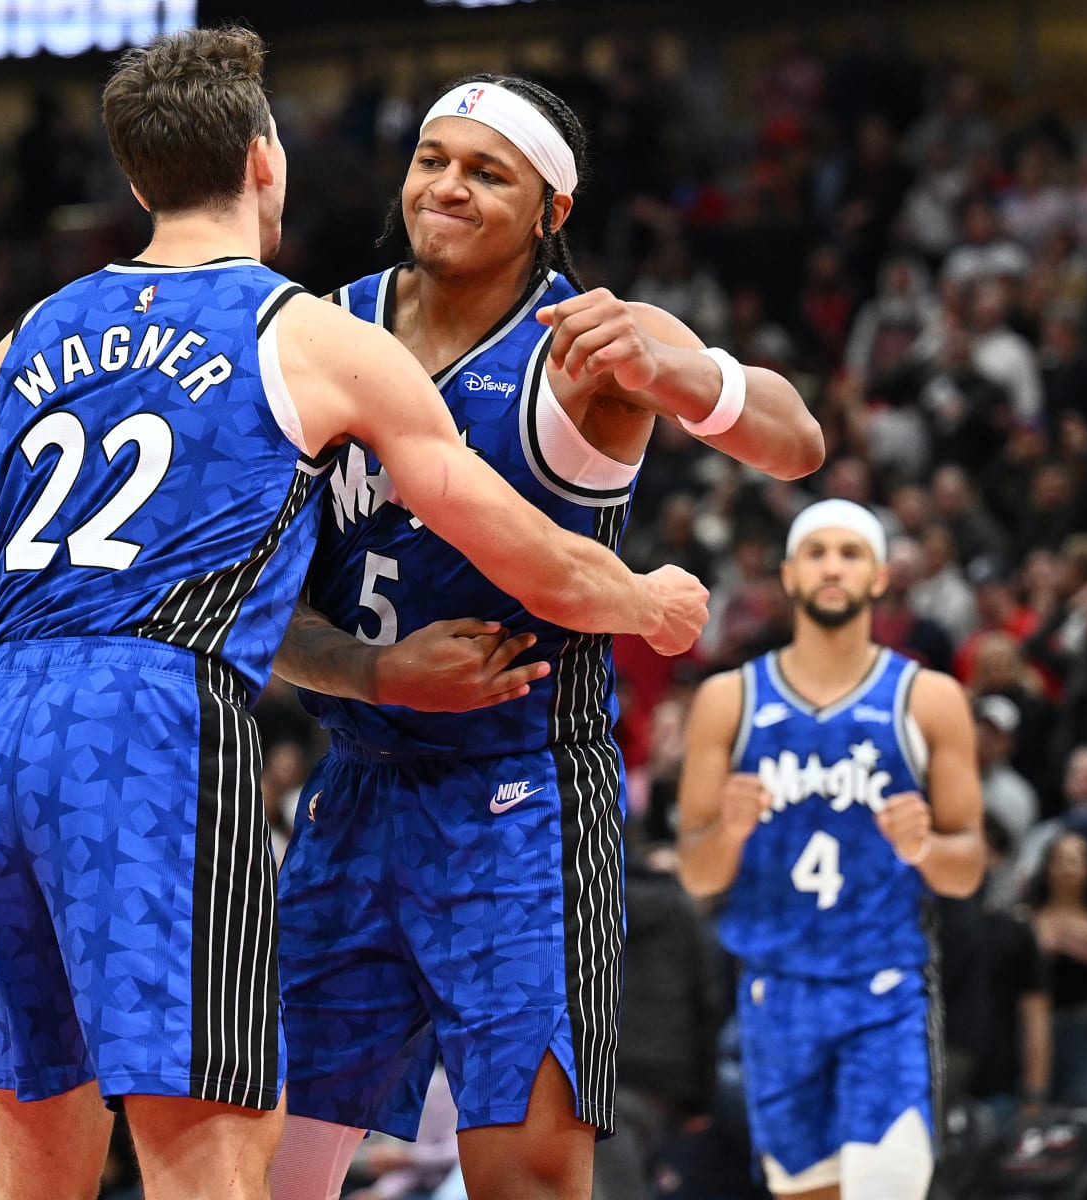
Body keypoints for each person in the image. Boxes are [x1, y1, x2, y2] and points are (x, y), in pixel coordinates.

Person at [0, 29, 709, 1200]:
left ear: (137, 178)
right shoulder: (305, 331)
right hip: (150, 717)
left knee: (34, 1129)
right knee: (208, 1137)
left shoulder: (31, 333)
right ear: (266, 160)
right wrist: (646, 597)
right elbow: (536, 559)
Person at [267, 71, 820, 1200]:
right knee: (259, 1162)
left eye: (487, 172)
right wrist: (376, 674)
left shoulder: (589, 339)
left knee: (523, 1173)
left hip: (518, 798)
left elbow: (796, 440)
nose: (449, 188)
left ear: (550, 210)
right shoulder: (325, 328)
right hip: (356, 784)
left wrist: (684, 375)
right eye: (434, 159)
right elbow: (261, 608)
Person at [675, 500, 986, 1200]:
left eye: (850, 553)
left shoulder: (927, 699)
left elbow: (967, 871)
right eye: (817, 553)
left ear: (880, 577)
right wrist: (727, 832)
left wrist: (927, 846)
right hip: (774, 988)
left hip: (884, 985)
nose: (833, 566)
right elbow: (696, 874)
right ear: (789, 575)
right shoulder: (730, 699)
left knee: (886, 1187)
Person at [1025, 832, 1087, 1111]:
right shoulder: (1027, 917)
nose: (1068, 869)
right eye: (1060, 861)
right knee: (1038, 1108)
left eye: (1076, 861)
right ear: (1047, 867)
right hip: (1036, 1024)